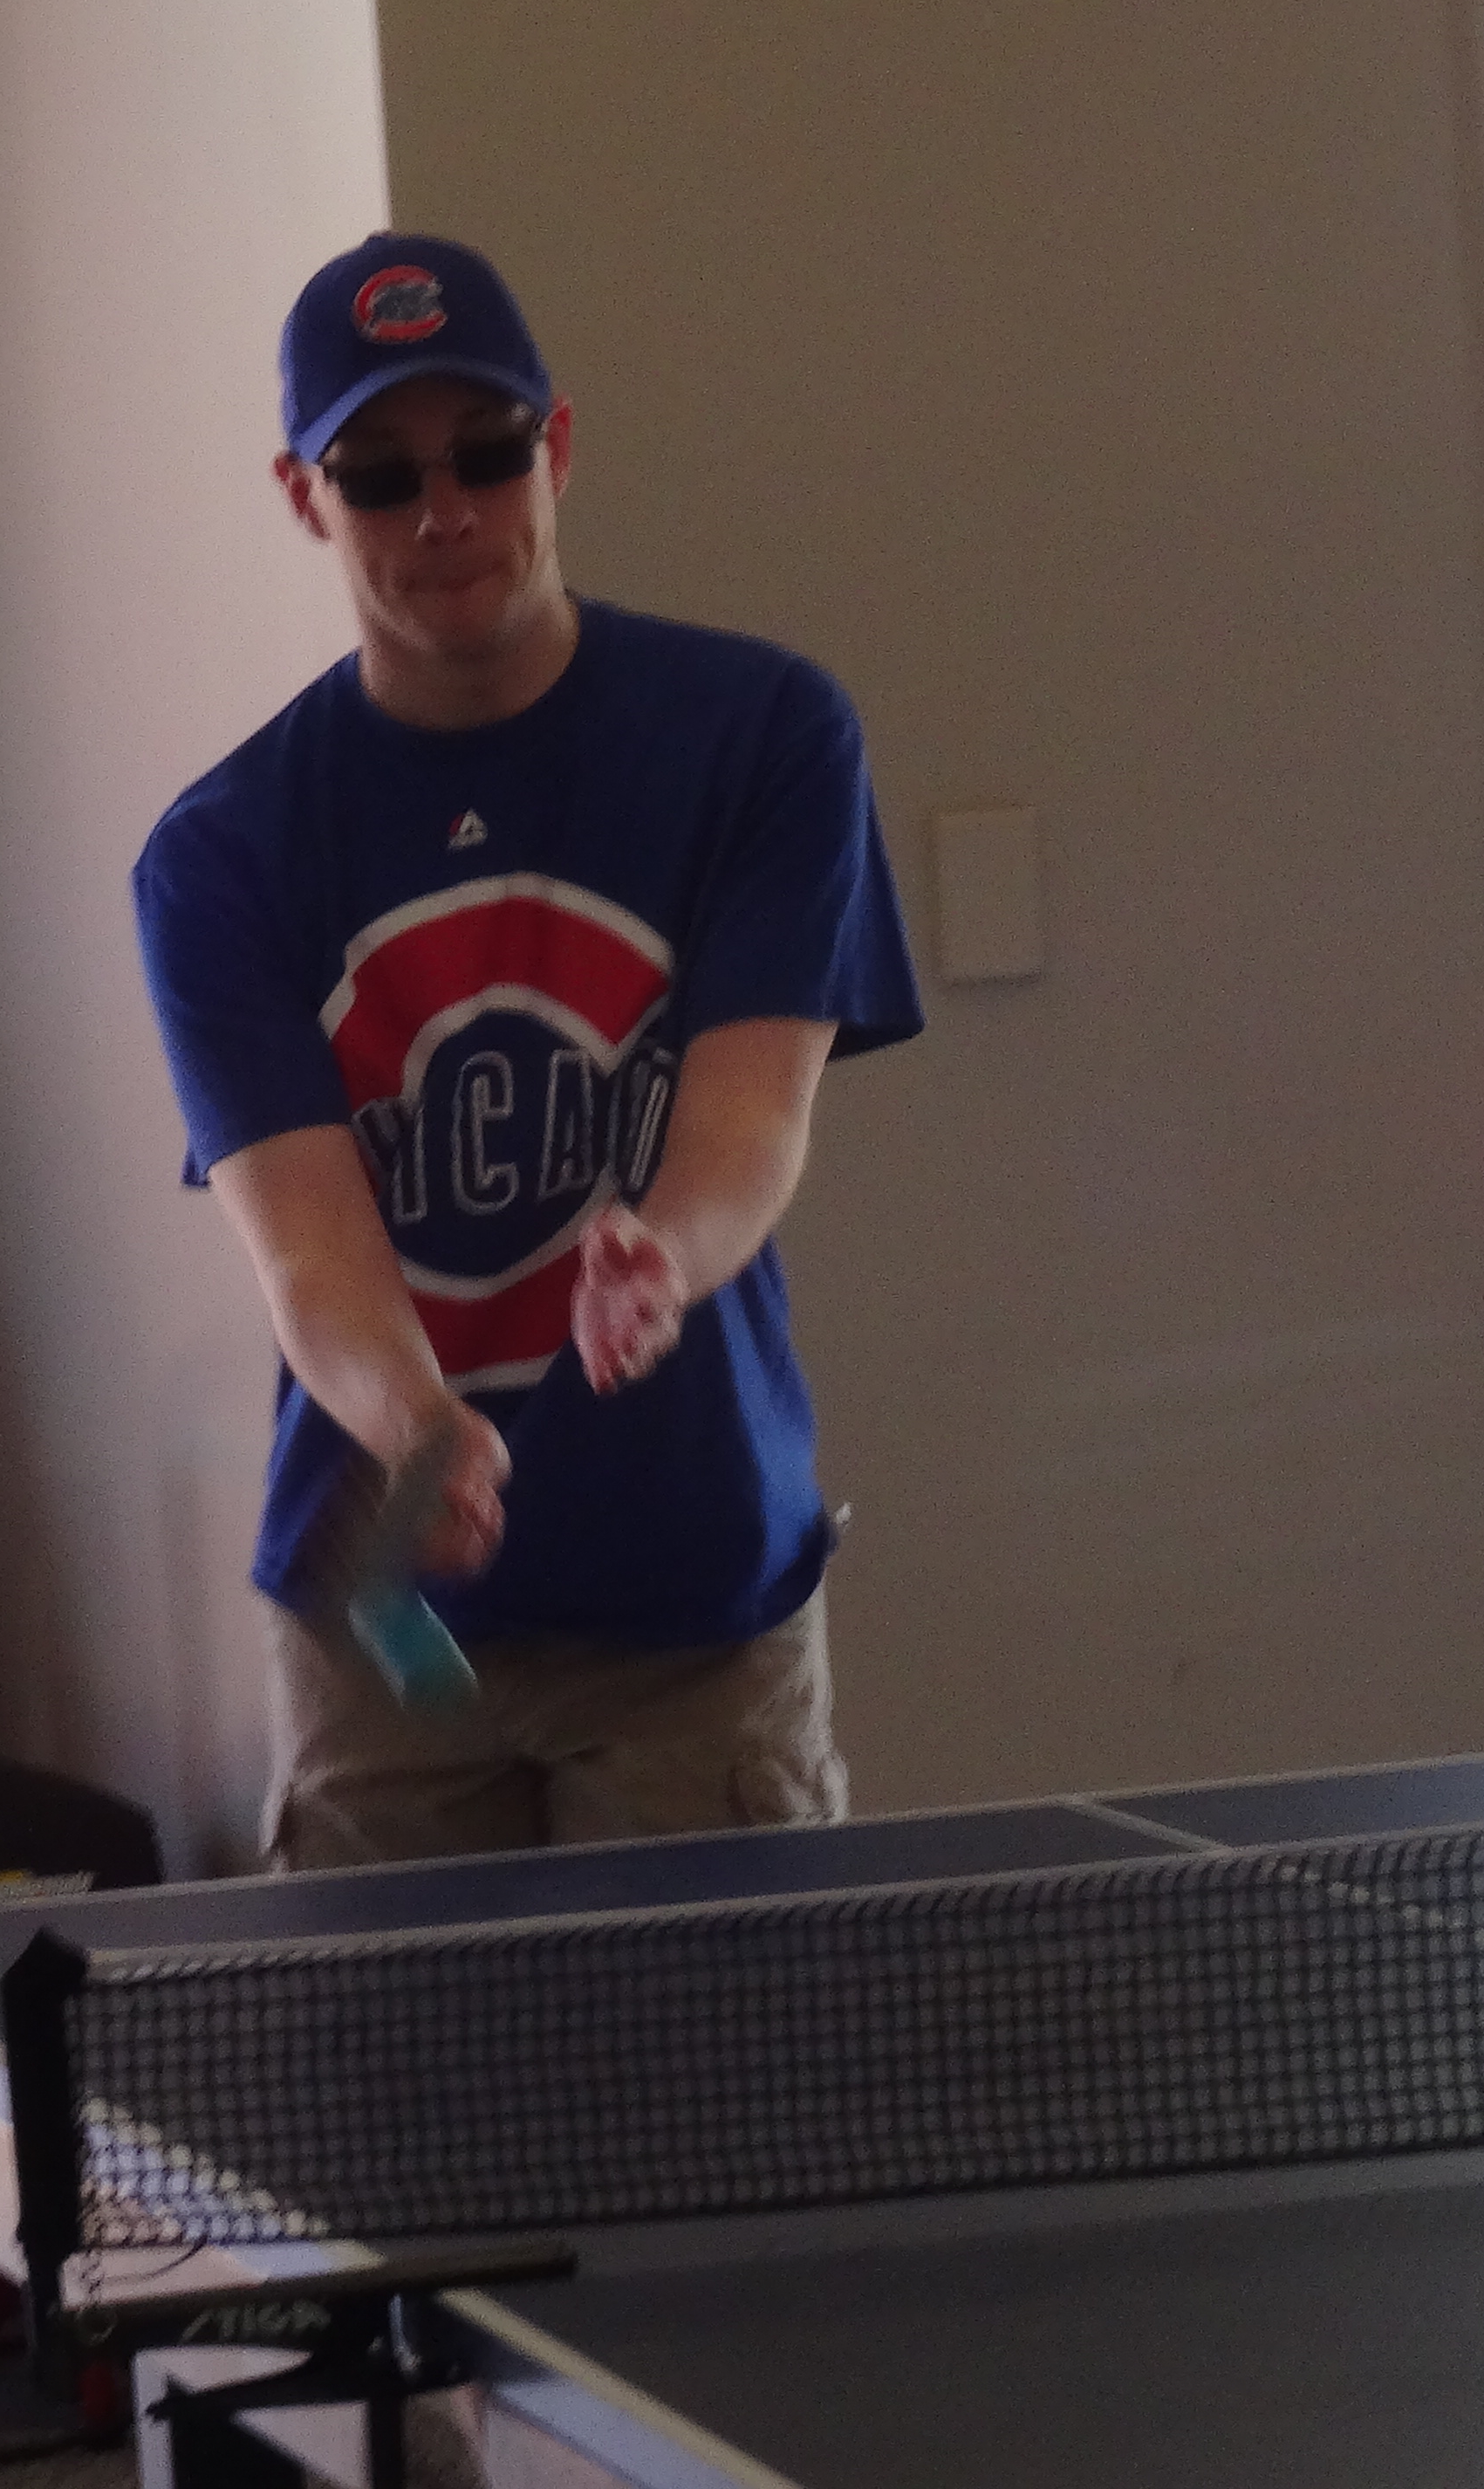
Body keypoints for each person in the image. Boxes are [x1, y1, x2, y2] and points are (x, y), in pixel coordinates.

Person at [132, 231, 923, 1870]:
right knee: (395, 2044)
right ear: (305, 498)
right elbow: (308, 1252)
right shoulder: (219, 855)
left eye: (486, 453)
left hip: (692, 1593)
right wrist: (417, 1425)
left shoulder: (766, 735)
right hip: (390, 1623)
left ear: (556, 447)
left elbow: (749, 1126)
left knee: (704, 2042)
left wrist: (662, 1256)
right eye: (381, 474)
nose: (444, 512)